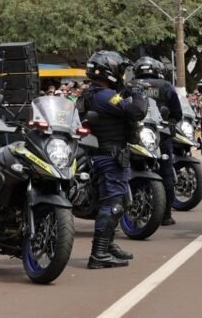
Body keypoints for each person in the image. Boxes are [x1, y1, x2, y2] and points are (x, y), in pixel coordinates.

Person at [79, 51, 147, 269]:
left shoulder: (96, 94)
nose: (122, 74)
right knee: (113, 204)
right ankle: (98, 253)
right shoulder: (104, 96)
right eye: (120, 70)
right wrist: (137, 92)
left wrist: (125, 89)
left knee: (120, 202)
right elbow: (137, 111)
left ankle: (107, 245)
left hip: (106, 154)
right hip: (110, 156)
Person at [132, 56, 183, 226]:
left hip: (135, 135)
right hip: (160, 136)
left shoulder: (129, 86)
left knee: (128, 171)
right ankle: (166, 215)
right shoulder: (166, 86)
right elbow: (177, 113)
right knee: (166, 173)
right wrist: (170, 123)